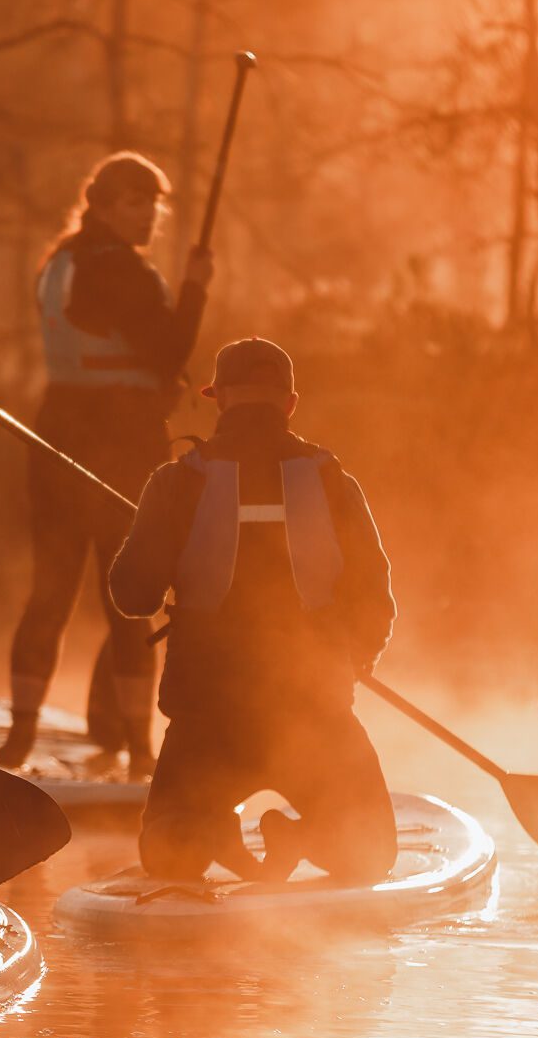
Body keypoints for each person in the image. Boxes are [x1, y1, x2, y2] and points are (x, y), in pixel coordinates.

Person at [107, 338, 399, 883]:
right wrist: (356, 660)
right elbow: (375, 593)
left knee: (167, 856)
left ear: (219, 400)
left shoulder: (176, 481)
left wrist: (163, 541)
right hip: (315, 715)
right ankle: (303, 836)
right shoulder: (334, 482)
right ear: (289, 403)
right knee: (373, 854)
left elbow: (132, 596)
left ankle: (207, 832)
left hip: (206, 722)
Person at [0, 152, 212, 778]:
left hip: (58, 437)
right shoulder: (121, 271)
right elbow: (170, 350)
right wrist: (197, 285)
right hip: (116, 446)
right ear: (105, 206)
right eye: (135, 204)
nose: (149, 216)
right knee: (130, 598)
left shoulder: (58, 261)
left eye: (155, 204)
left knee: (51, 593)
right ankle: (142, 751)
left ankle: (20, 738)